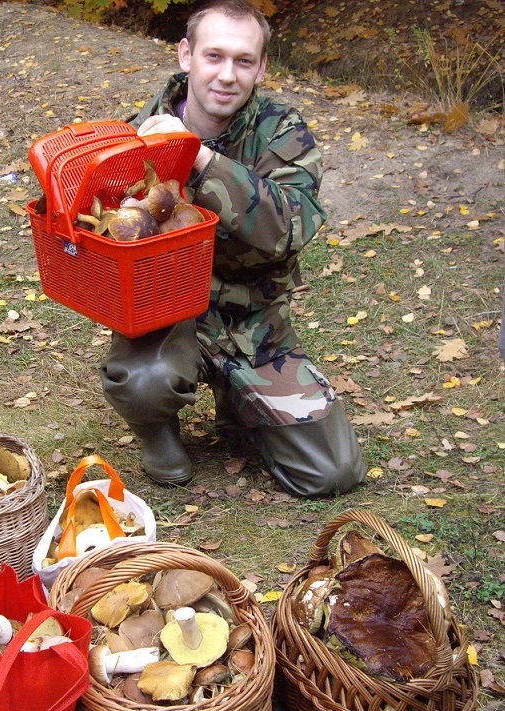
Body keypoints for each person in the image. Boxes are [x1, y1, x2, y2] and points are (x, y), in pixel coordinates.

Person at [99, 0, 366, 497]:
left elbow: (290, 226)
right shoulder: (139, 133)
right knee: (143, 379)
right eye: (214, 56)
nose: (227, 75)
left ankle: (240, 402)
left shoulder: (281, 131)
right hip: (171, 314)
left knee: (332, 473)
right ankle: (157, 432)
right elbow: (106, 234)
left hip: (255, 322)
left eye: (244, 61)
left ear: (261, 68)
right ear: (187, 55)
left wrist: (197, 157)